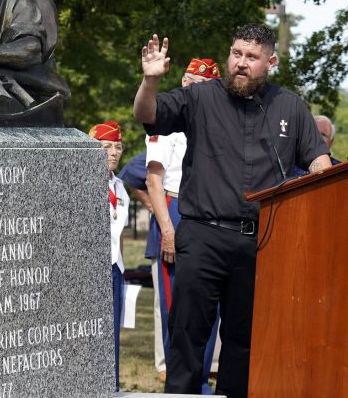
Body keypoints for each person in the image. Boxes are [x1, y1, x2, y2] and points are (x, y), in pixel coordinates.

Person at [133, 25, 331, 397]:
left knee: (244, 342)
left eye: (252, 57)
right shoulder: (200, 97)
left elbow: (317, 158)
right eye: (236, 54)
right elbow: (148, 114)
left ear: (270, 62)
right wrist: (150, 81)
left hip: (260, 244)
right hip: (202, 237)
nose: (241, 63)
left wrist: (327, 177)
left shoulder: (290, 106)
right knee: (187, 336)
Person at [146, 58, 223, 389]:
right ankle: (177, 384)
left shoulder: (218, 120)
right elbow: (153, 180)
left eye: (204, 85)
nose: (195, 89)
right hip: (175, 207)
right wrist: (167, 230)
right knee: (176, 307)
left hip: (209, 211)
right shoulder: (172, 117)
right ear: (183, 81)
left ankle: (201, 382)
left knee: (209, 306)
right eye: (191, 82)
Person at [89, 120, 129, 391]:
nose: (113, 153)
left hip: (115, 268)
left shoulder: (120, 187)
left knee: (112, 334)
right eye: (105, 147)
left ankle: (111, 388)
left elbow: (120, 232)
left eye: (118, 147)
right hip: (92, 269)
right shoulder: (82, 185)